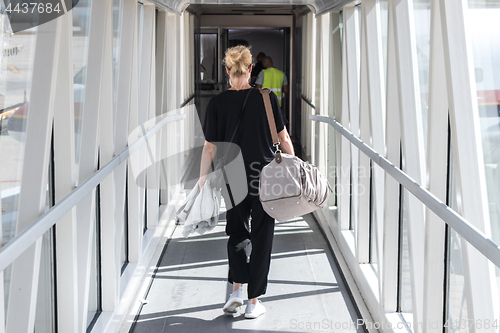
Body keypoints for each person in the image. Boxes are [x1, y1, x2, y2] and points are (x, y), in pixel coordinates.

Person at [200, 45, 294, 319]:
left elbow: (210, 147)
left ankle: (236, 291)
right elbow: (284, 138)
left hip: (233, 176)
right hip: (265, 176)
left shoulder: (217, 104)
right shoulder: (267, 98)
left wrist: (202, 181)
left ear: (227, 70)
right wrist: (296, 166)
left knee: (238, 232)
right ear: (252, 69)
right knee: (262, 236)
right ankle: (253, 303)